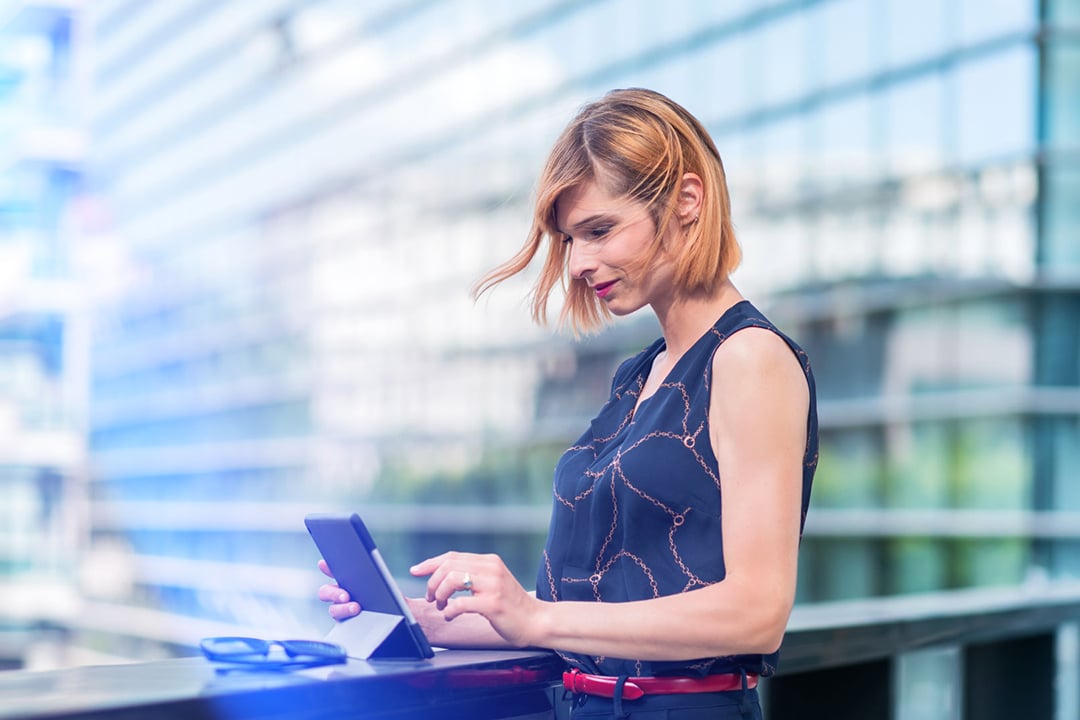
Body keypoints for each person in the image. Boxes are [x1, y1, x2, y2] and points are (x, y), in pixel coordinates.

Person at [318, 88, 818, 720]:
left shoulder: (749, 358)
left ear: (688, 201)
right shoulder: (640, 375)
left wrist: (535, 615)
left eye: (599, 230)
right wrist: (424, 617)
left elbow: (757, 614)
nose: (579, 262)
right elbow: (595, 611)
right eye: (570, 239)